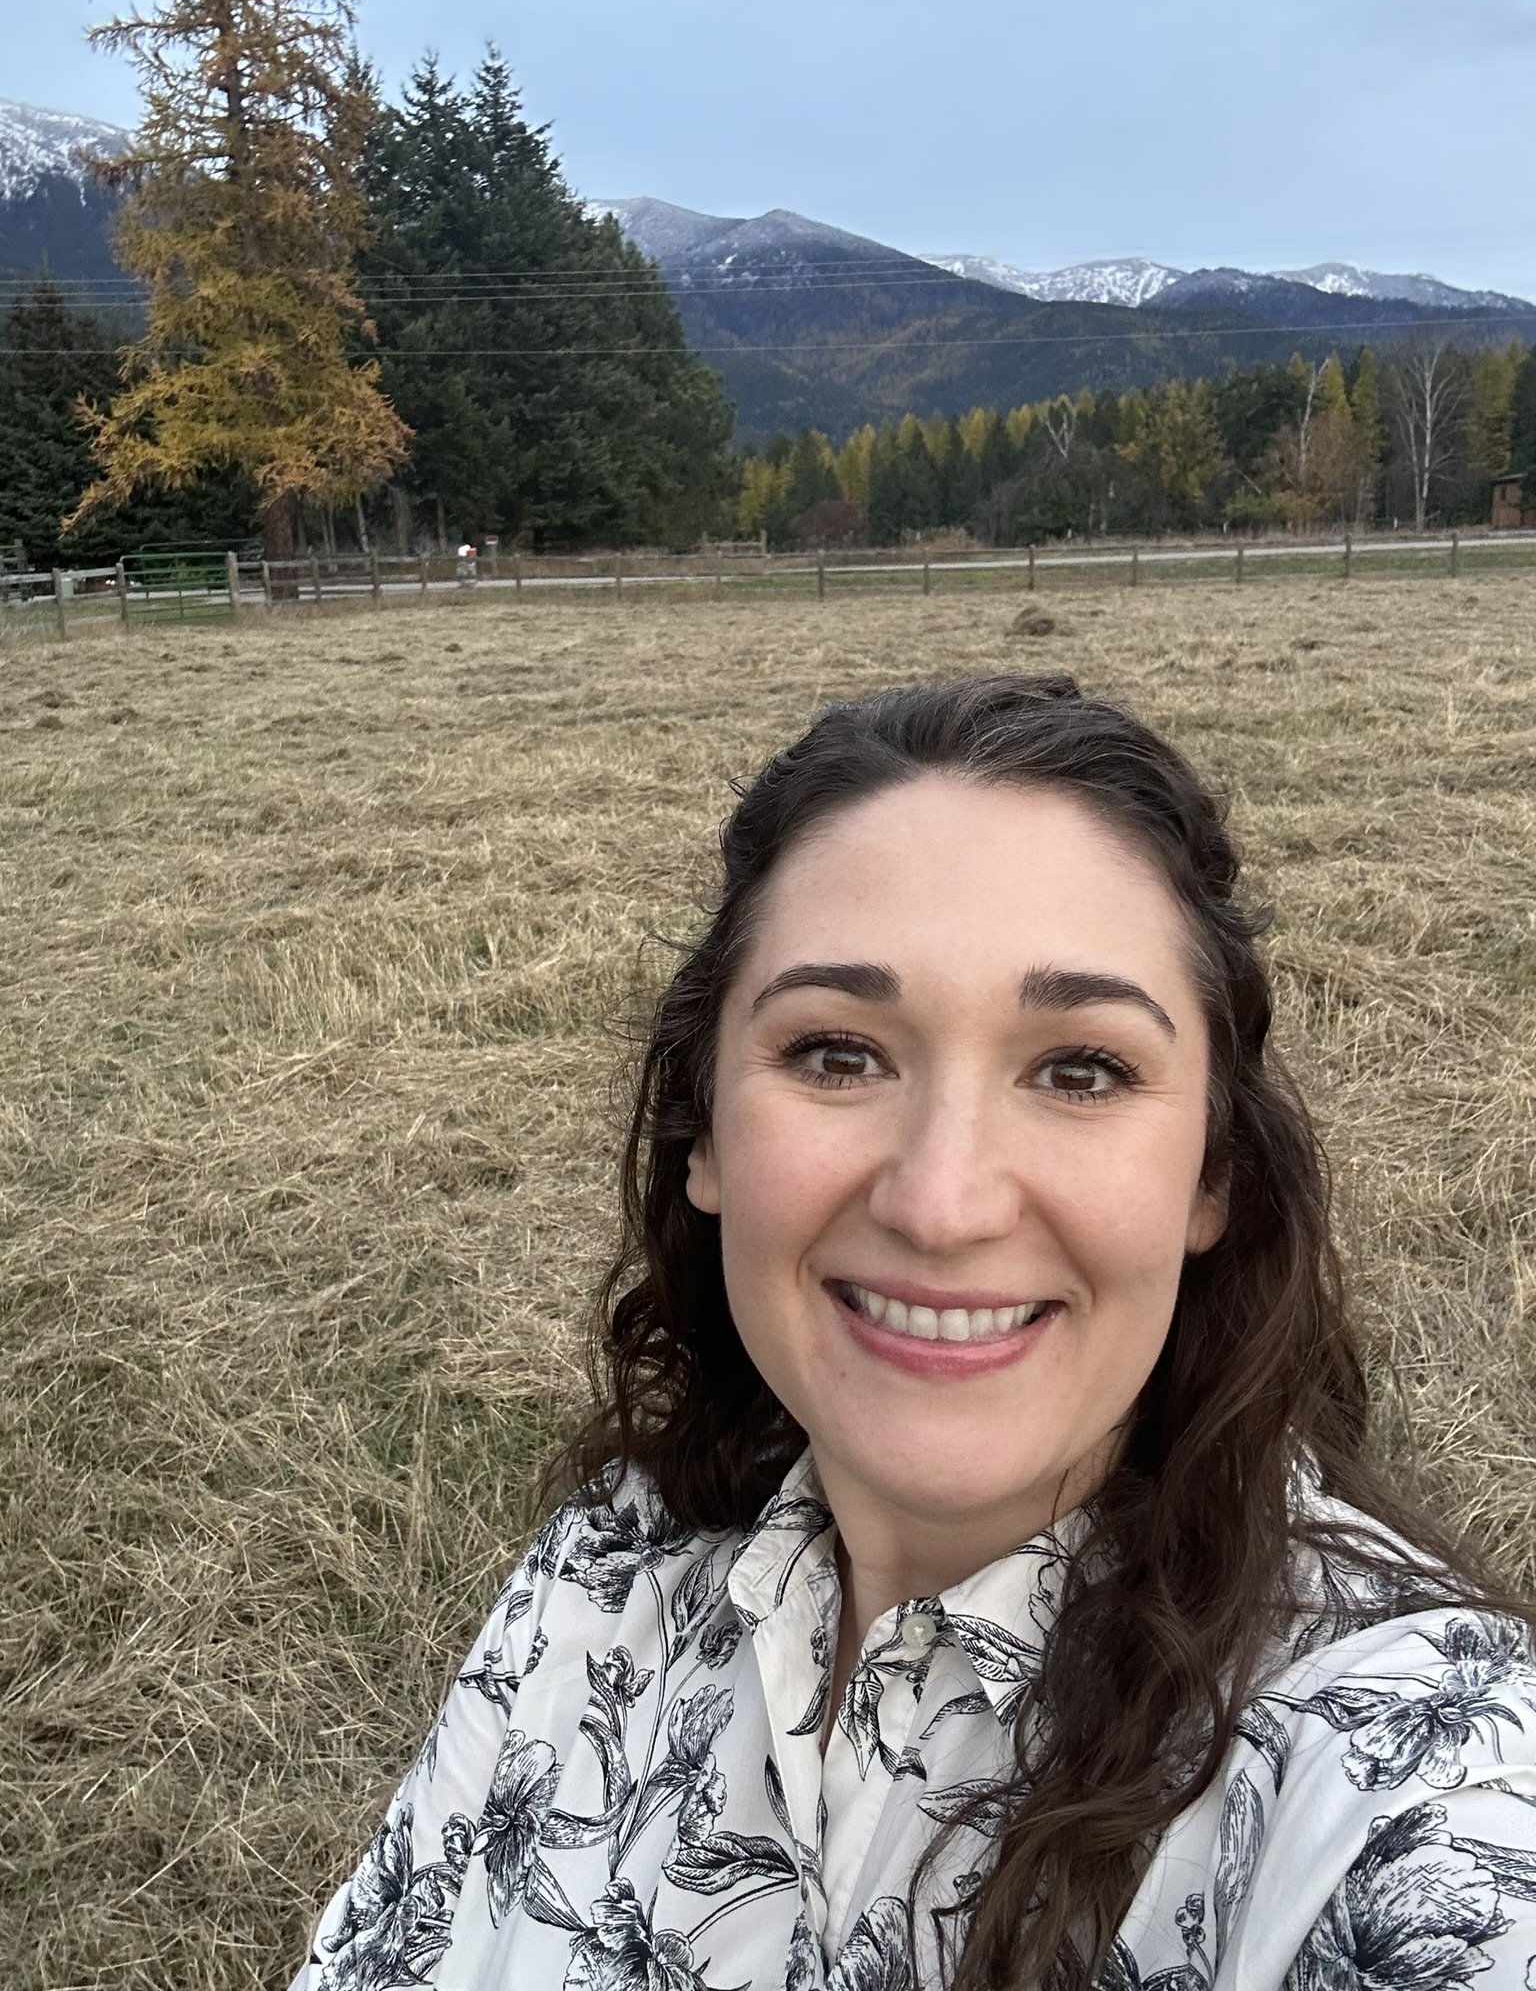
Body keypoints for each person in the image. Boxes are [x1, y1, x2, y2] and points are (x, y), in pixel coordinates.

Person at [289, 674, 1536, 1991]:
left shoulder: (1408, 1777)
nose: (940, 1204)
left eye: (1080, 1070)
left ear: (1211, 1176)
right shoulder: (607, 1562)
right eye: (838, 1054)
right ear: (704, 1131)